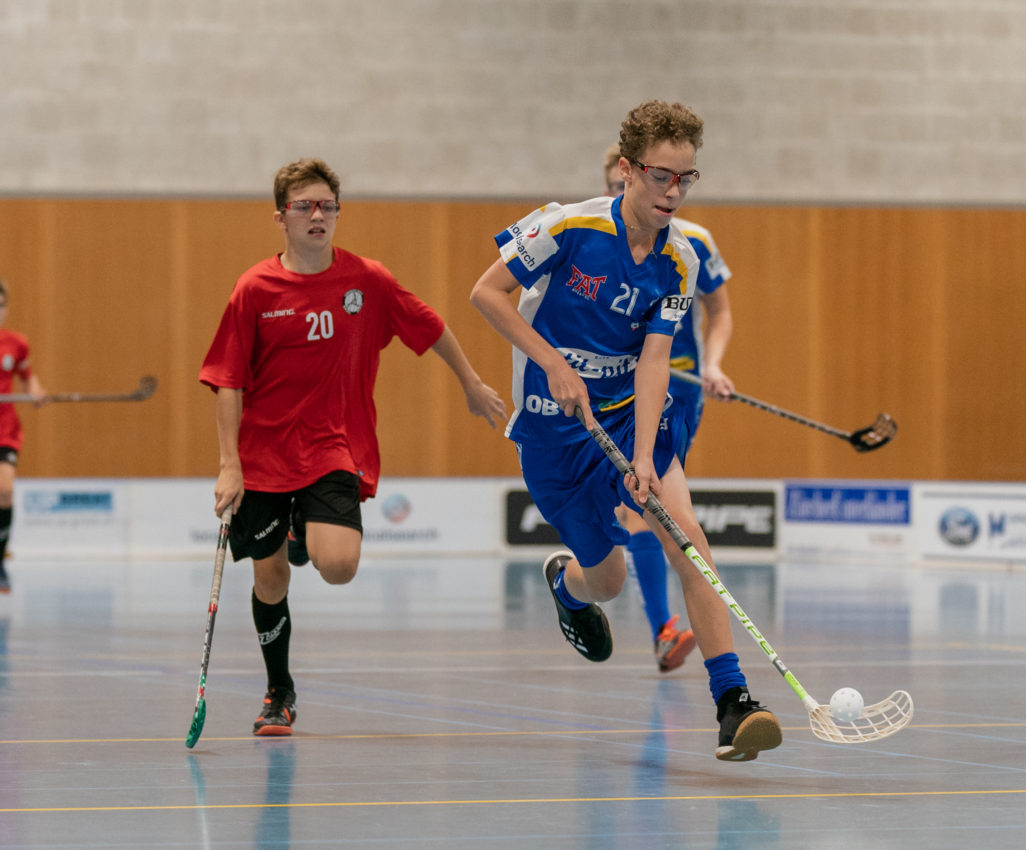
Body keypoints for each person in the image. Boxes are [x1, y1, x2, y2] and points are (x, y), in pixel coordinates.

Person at [471, 100, 782, 762]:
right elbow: (485, 293)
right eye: (661, 176)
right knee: (605, 581)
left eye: (686, 178)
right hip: (553, 433)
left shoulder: (682, 261)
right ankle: (568, 586)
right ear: (626, 169)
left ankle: (733, 701)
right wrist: (551, 361)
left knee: (686, 535)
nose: (674, 192)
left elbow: (653, 359)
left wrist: (643, 454)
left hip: (624, 415)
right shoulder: (567, 227)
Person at [200, 158, 506, 737]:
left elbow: (430, 324)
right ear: (281, 217)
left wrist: (470, 383)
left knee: (338, 567)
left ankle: (301, 533)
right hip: (264, 456)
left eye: (327, 206)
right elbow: (226, 380)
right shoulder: (254, 289)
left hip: (333, 446)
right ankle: (279, 691)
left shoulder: (368, 281)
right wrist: (228, 465)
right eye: (304, 206)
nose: (317, 215)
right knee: (271, 583)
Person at [602, 142, 735, 674]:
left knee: (644, 502)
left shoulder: (692, 244)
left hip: (677, 393)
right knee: (639, 504)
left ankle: (669, 630)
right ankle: (663, 627)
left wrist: (714, 364)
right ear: (621, 181)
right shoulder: (591, 237)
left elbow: (720, 312)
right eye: (615, 186)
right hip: (614, 393)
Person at [0, 280, 49, 594]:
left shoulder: (16, 344)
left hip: (5, 430)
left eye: (1, 306)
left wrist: (36, 392)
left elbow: (27, 379)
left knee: (4, 492)